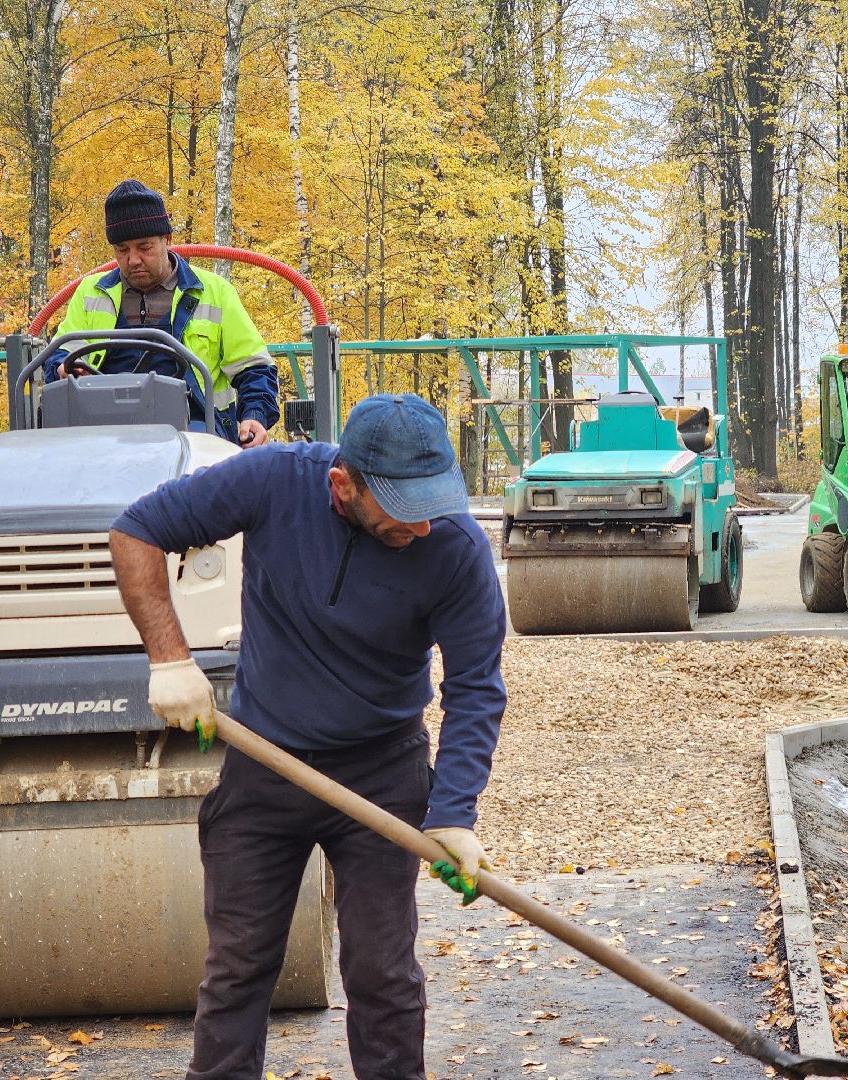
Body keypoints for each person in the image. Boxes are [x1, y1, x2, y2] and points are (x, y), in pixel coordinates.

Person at [108, 393, 506, 1080]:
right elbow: (137, 529)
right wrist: (169, 658)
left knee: (382, 970)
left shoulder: (455, 548)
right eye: (401, 511)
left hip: (383, 771)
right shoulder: (274, 480)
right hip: (267, 766)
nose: (420, 527)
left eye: (431, 505)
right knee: (240, 967)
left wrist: (454, 814)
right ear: (343, 485)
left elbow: (475, 686)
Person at [44, 179, 279, 447]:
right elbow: (60, 355)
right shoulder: (91, 293)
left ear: (167, 240)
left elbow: (254, 367)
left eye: (144, 248)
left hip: (198, 433)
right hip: (102, 432)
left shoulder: (215, 292)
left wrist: (254, 416)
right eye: (122, 250)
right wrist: (63, 368)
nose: (133, 259)